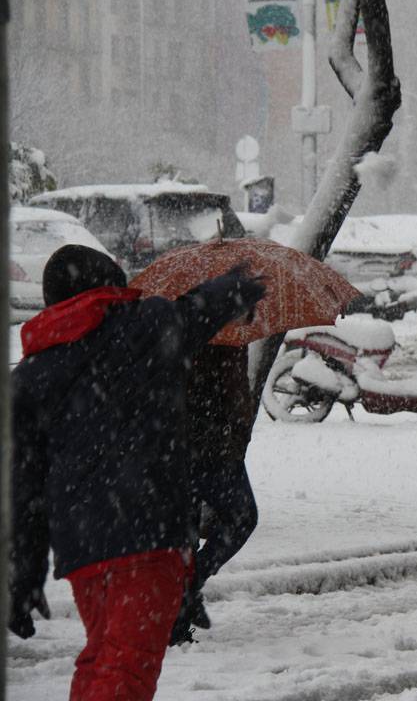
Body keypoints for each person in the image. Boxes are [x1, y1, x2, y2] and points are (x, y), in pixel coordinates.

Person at [9, 244, 266, 701]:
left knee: (103, 657)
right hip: (147, 537)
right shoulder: (143, 327)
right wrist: (237, 286)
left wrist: (25, 574)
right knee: (126, 668)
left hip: (83, 551)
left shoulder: (32, 373)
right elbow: (195, 312)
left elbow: (24, 487)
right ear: (110, 285)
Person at [170, 343, 259, 646]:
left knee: (185, 531)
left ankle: (177, 620)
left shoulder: (173, 321)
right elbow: (234, 394)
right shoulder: (225, 334)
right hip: (211, 445)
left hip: (178, 439)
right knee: (242, 516)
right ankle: (190, 584)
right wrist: (236, 434)